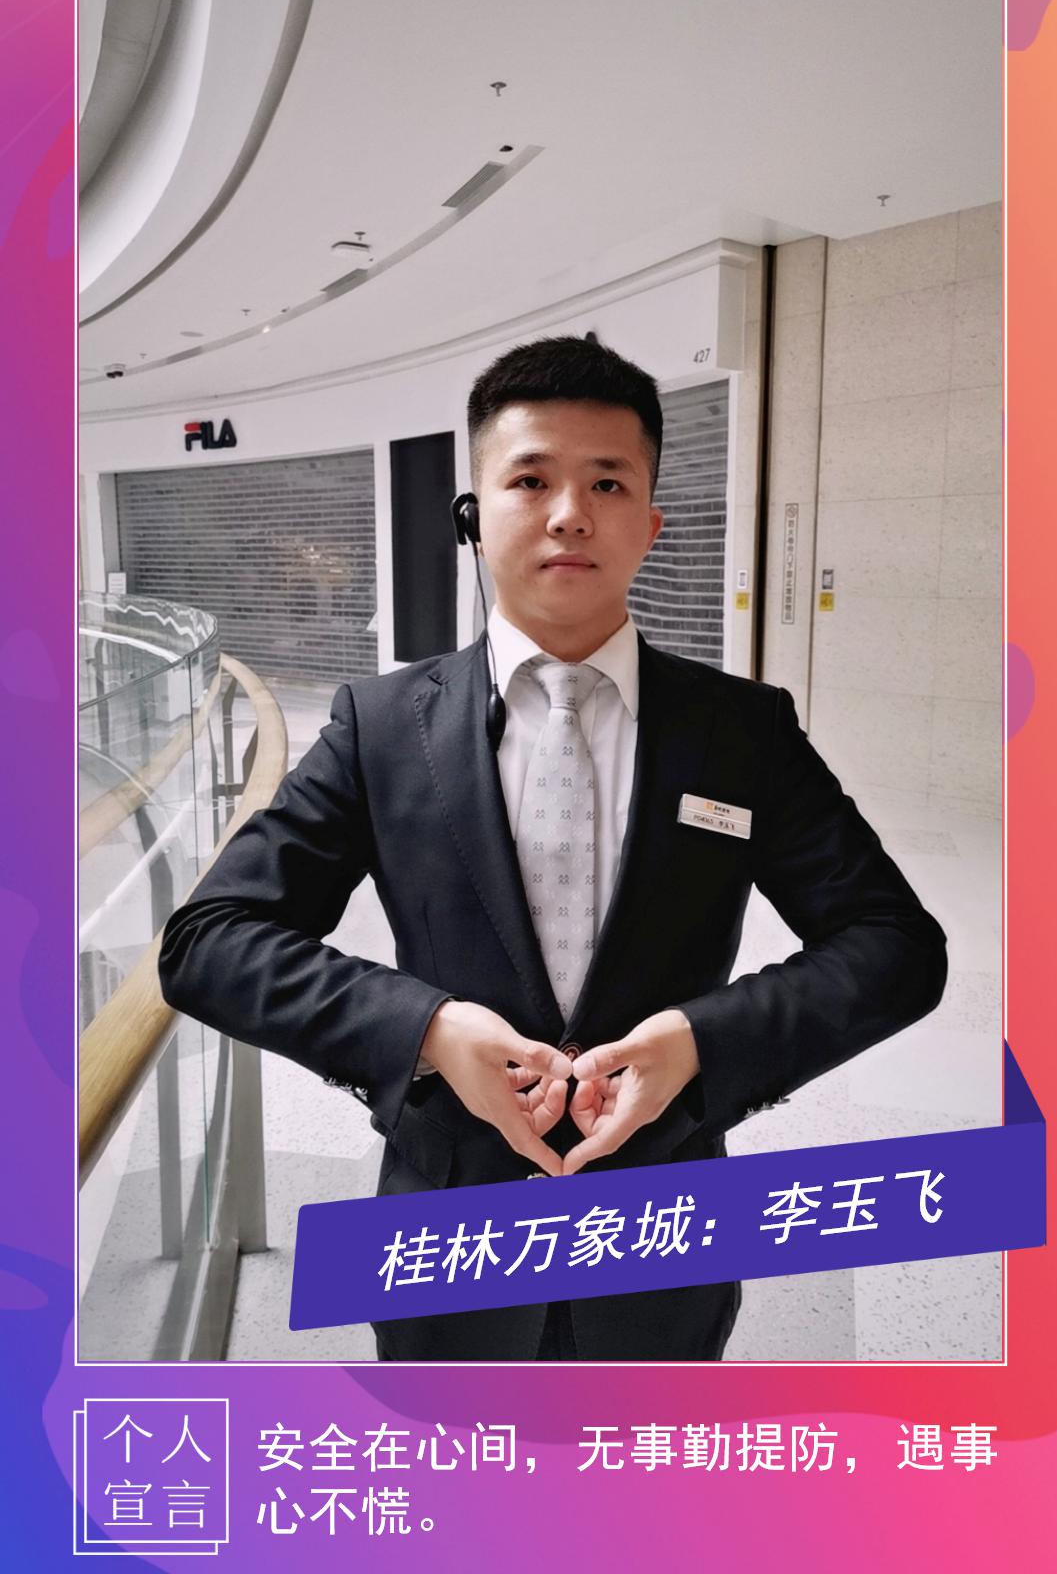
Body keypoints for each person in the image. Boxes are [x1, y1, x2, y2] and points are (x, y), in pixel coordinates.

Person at [159, 335, 946, 1362]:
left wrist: (701, 1043)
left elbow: (895, 946)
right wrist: (427, 1030)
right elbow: (210, 942)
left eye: (608, 482)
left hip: (660, 1230)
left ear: (651, 523)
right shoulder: (380, 727)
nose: (571, 512)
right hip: (449, 1229)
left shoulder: (741, 731)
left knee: (635, 1459)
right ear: (473, 516)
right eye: (530, 479)